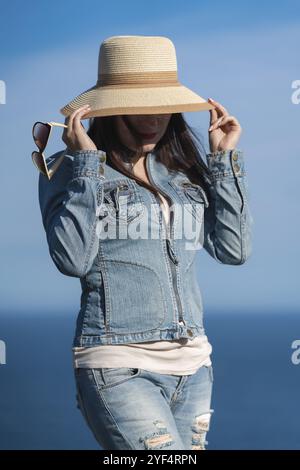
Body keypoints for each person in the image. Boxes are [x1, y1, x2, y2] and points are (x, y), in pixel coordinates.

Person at [38, 35, 253, 450]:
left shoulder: (183, 171)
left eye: (162, 106)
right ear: (109, 108)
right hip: (118, 365)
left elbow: (234, 251)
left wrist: (224, 162)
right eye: (139, 107)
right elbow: (72, 260)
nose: (153, 120)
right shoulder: (67, 168)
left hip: (194, 364)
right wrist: (86, 167)